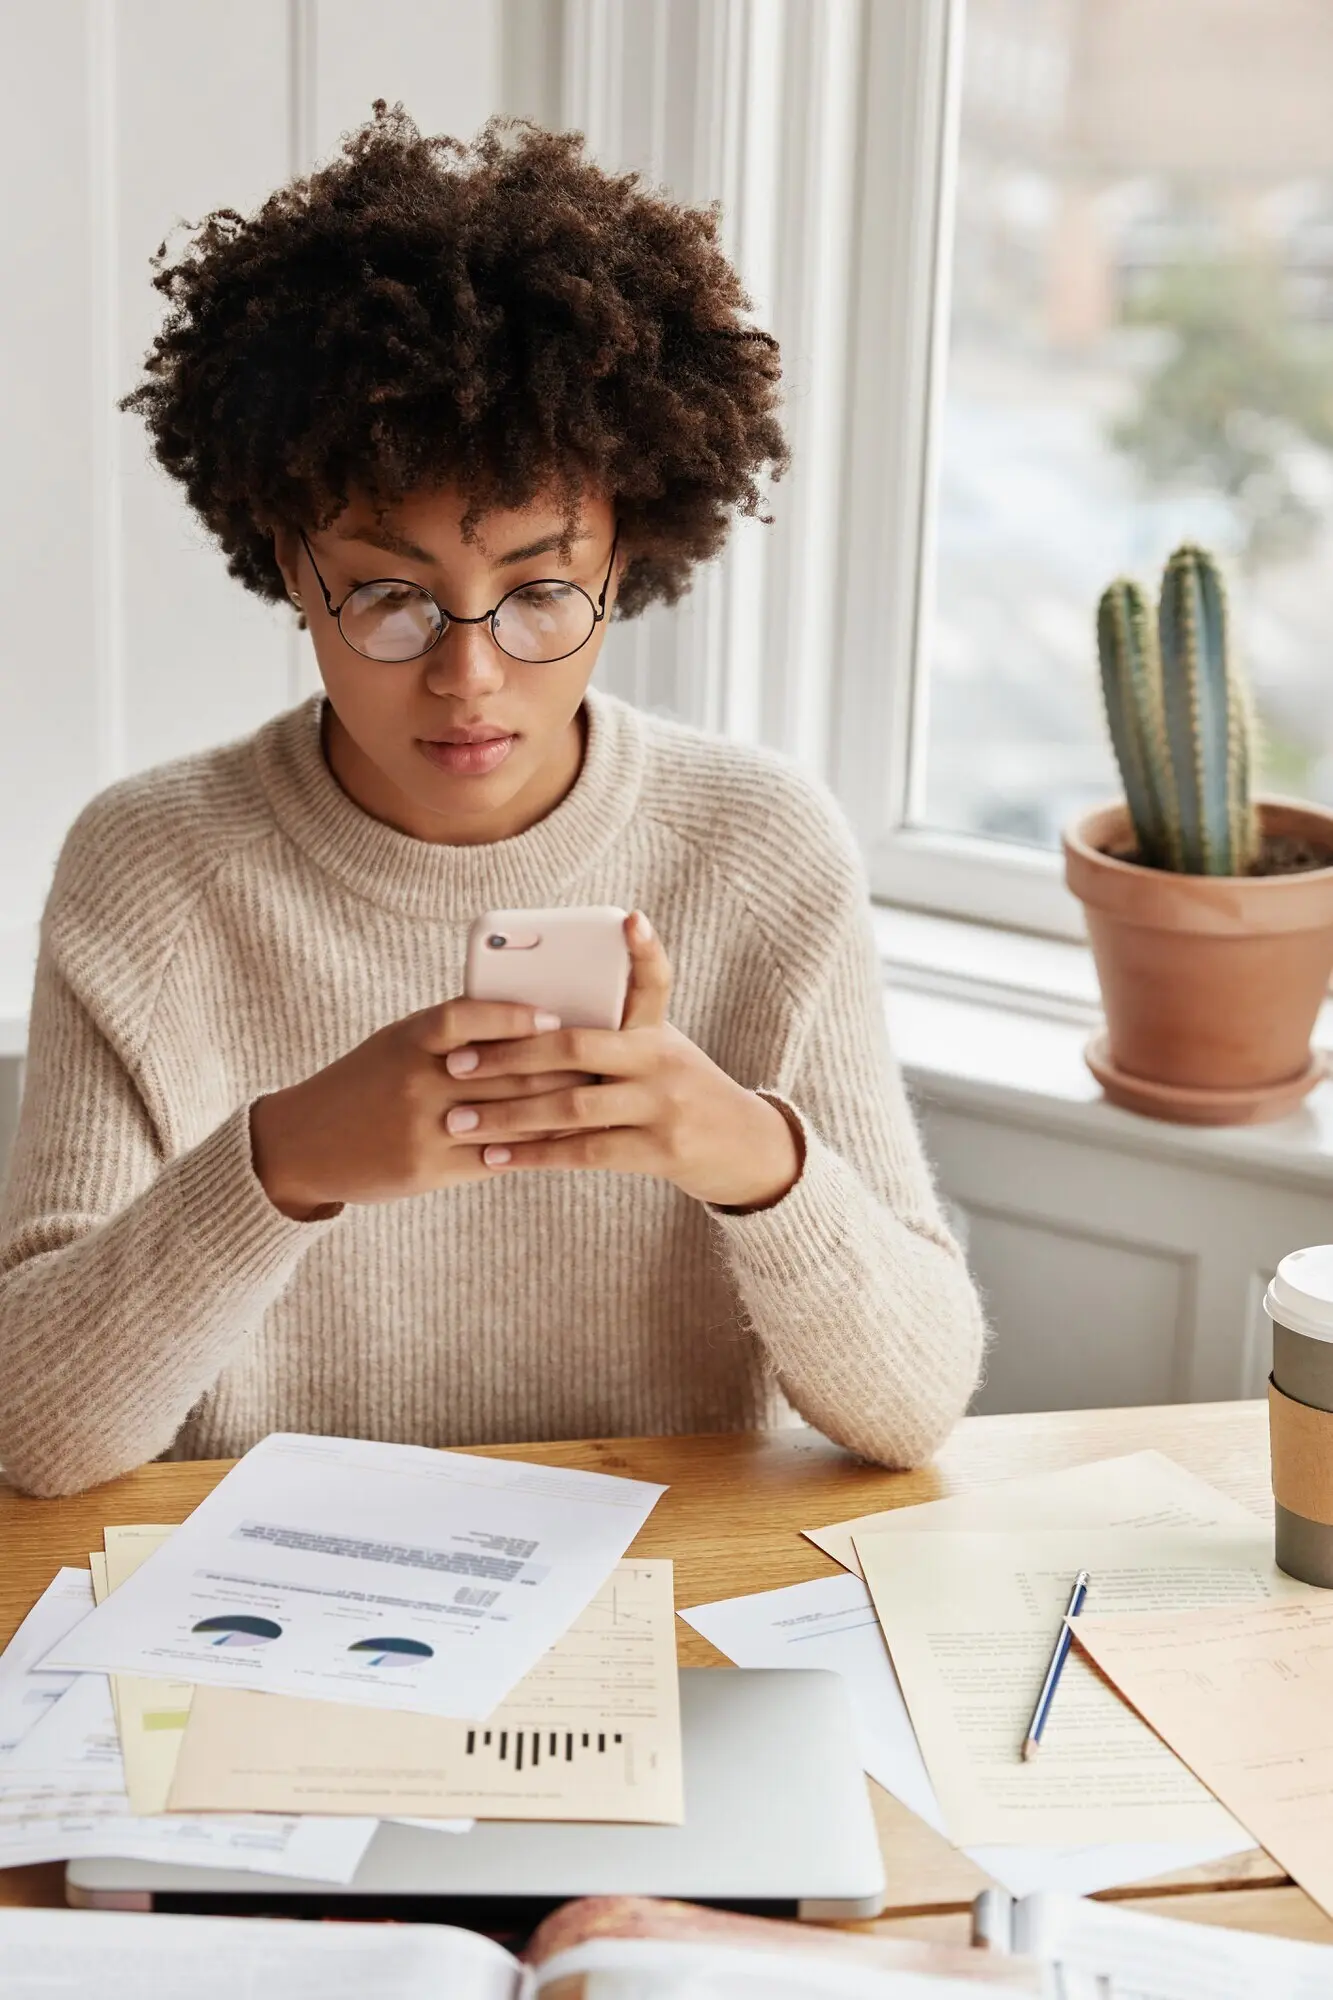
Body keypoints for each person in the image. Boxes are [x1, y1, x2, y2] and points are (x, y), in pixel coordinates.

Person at [0, 105, 986, 1498]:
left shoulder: (755, 849)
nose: (469, 676)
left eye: (536, 591)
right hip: (267, 1635)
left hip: (663, 1616)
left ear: (630, 548)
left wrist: (741, 1151)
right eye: (394, 595)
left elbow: (917, 1403)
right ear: (292, 560)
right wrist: (283, 1164)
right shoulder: (152, 868)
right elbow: (37, 1434)